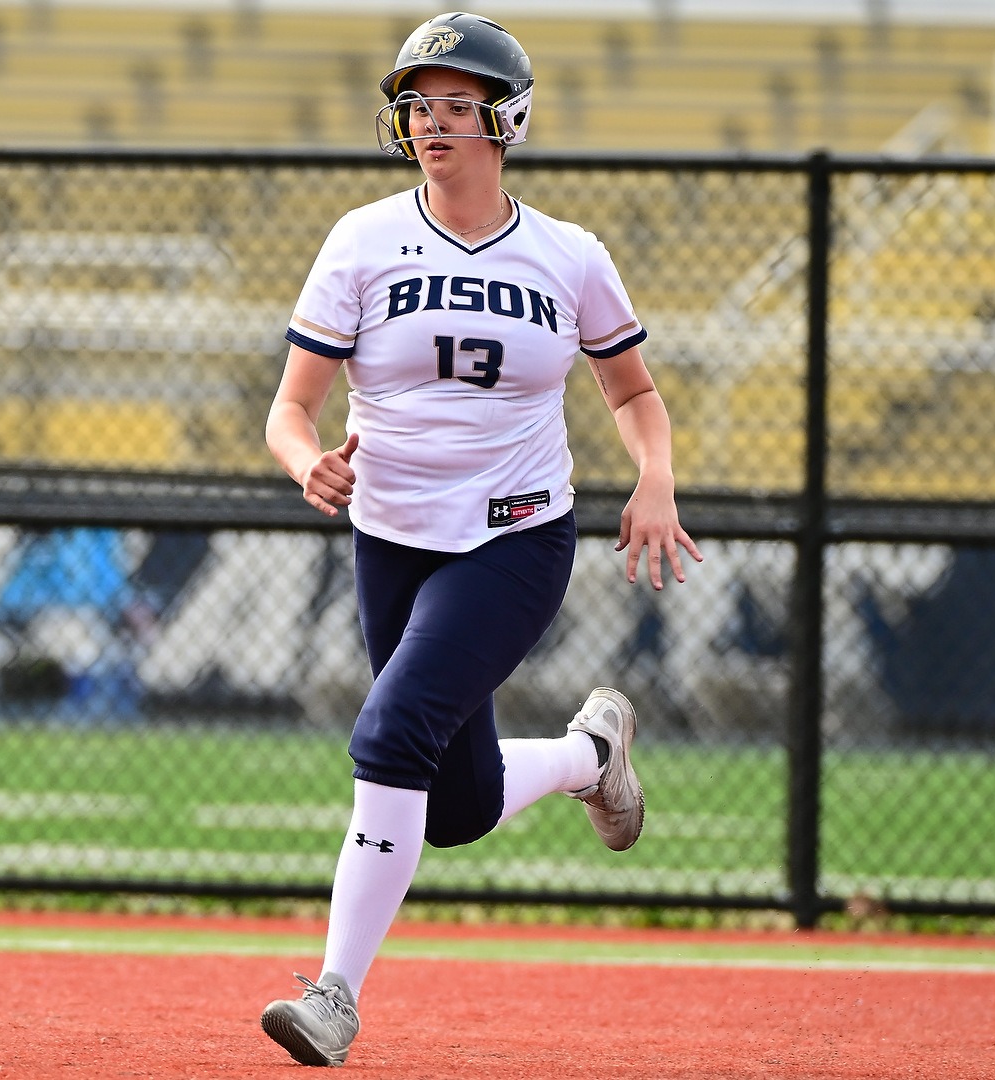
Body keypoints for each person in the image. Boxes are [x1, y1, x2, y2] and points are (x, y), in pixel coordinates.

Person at [257, 12, 701, 1068]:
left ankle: (333, 996)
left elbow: (630, 387)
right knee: (451, 807)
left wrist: (655, 476)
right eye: (419, 102)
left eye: (457, 103)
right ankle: (594, 754)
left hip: (514, 539)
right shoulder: (362, 239)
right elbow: (289, 409)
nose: (432, 121)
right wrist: (301, 459)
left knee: (387, 734)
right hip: (392, 541)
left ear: (508, 119)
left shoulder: (568, 254)